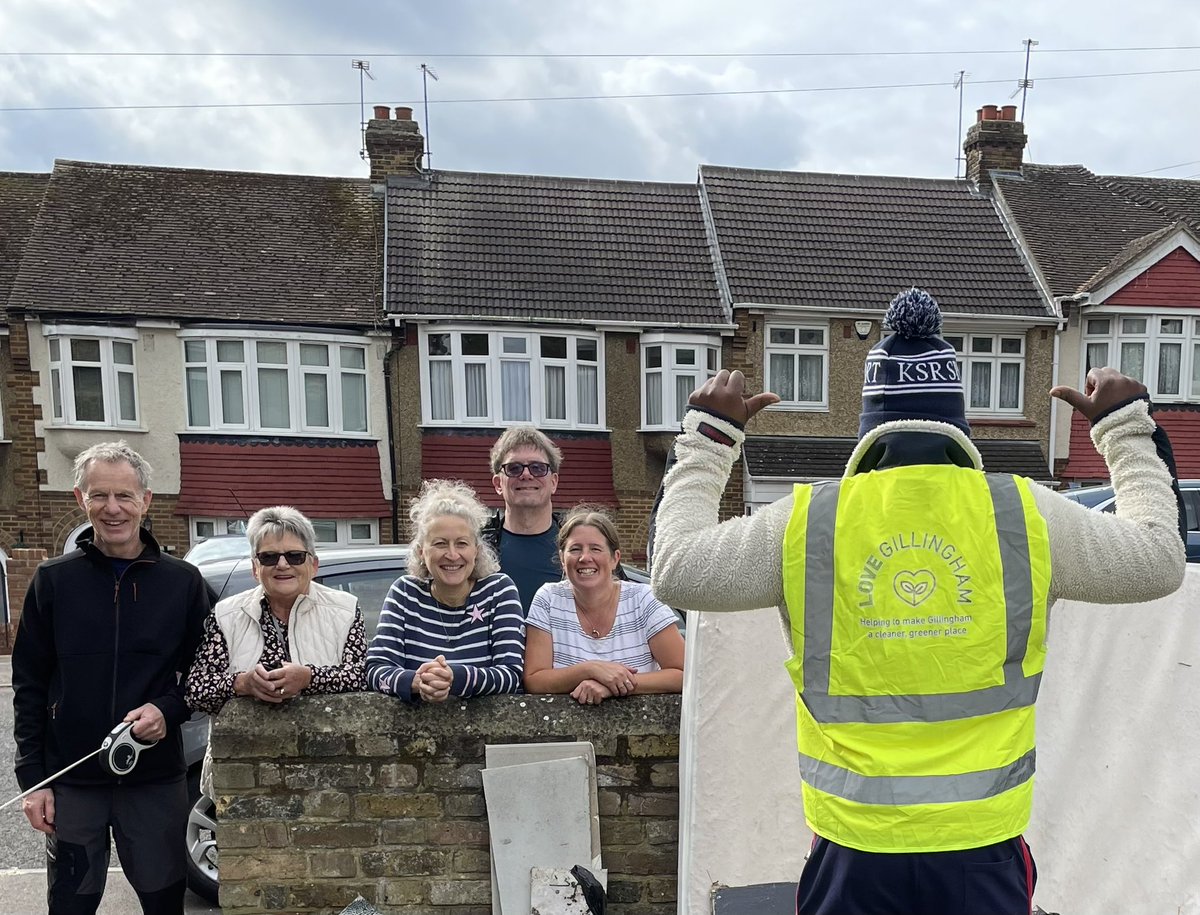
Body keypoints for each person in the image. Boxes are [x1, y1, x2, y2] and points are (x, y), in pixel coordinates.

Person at [650, 288, 1187, 915]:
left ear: (869, 422)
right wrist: (1124, 430)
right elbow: (1158, 558)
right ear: (957, 418)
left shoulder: (808, 520)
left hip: (853, 849)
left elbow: (676, 570)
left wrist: (710, 439)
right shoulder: (1021, 511)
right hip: (980, 848)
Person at [11, 441, 212, 915]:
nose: (113, 508)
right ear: (80, 499)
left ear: (146, 500)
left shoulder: (182, 583)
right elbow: (29, 685)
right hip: (73, 782)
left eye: (124, 496)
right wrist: (33, 781)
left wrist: (169, 708)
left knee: (164, 904)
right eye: (99, 495)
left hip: (154, 781)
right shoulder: (53, 581)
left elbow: (208, 672)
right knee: (70, 905)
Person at [185, 506, 366, 788]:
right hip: (244, 776)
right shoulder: (226, 615)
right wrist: (243, 684)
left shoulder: (345, 610)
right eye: (269, 556)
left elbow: (363, 676)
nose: (282, 564)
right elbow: (196, 690)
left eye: (294, 555)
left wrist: (308, 678)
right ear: (256, 568)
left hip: (327, 773)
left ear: (313, 565)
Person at [367, 479, 525, 703]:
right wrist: (419, 681)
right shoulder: (405, 593)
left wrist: (454, 678)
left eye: (461, 543)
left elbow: (512, 675)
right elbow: (375, 670)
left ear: (476, 551)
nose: (452, 555)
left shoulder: (498, 591)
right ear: (422, 552)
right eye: (440, 544)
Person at [524, 508, 684, 705]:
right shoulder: (548, 599)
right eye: (575, 549)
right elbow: (534, 680)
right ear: (563, 560)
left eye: (595, 548)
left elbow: (684, 673)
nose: (585, 557)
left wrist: (615, 686)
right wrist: (590, 669)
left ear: (615, 558)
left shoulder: (644, 600)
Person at [482, 425, 565, 614]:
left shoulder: (580, 546)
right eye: (514, 468)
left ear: (554, 482)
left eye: (538, 468)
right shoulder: (475, 548)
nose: (526, 475)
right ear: (498, 484)